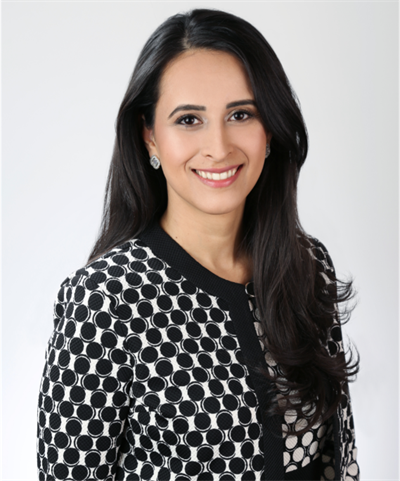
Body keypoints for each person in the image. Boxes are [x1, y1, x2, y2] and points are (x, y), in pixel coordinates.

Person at [36, 8, 360, 481]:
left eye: (241, 114)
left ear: (268, 128)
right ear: (150, 136)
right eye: (189, 119)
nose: (219, 146)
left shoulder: (306, 264)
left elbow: (336, 457)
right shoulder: (106, 300)